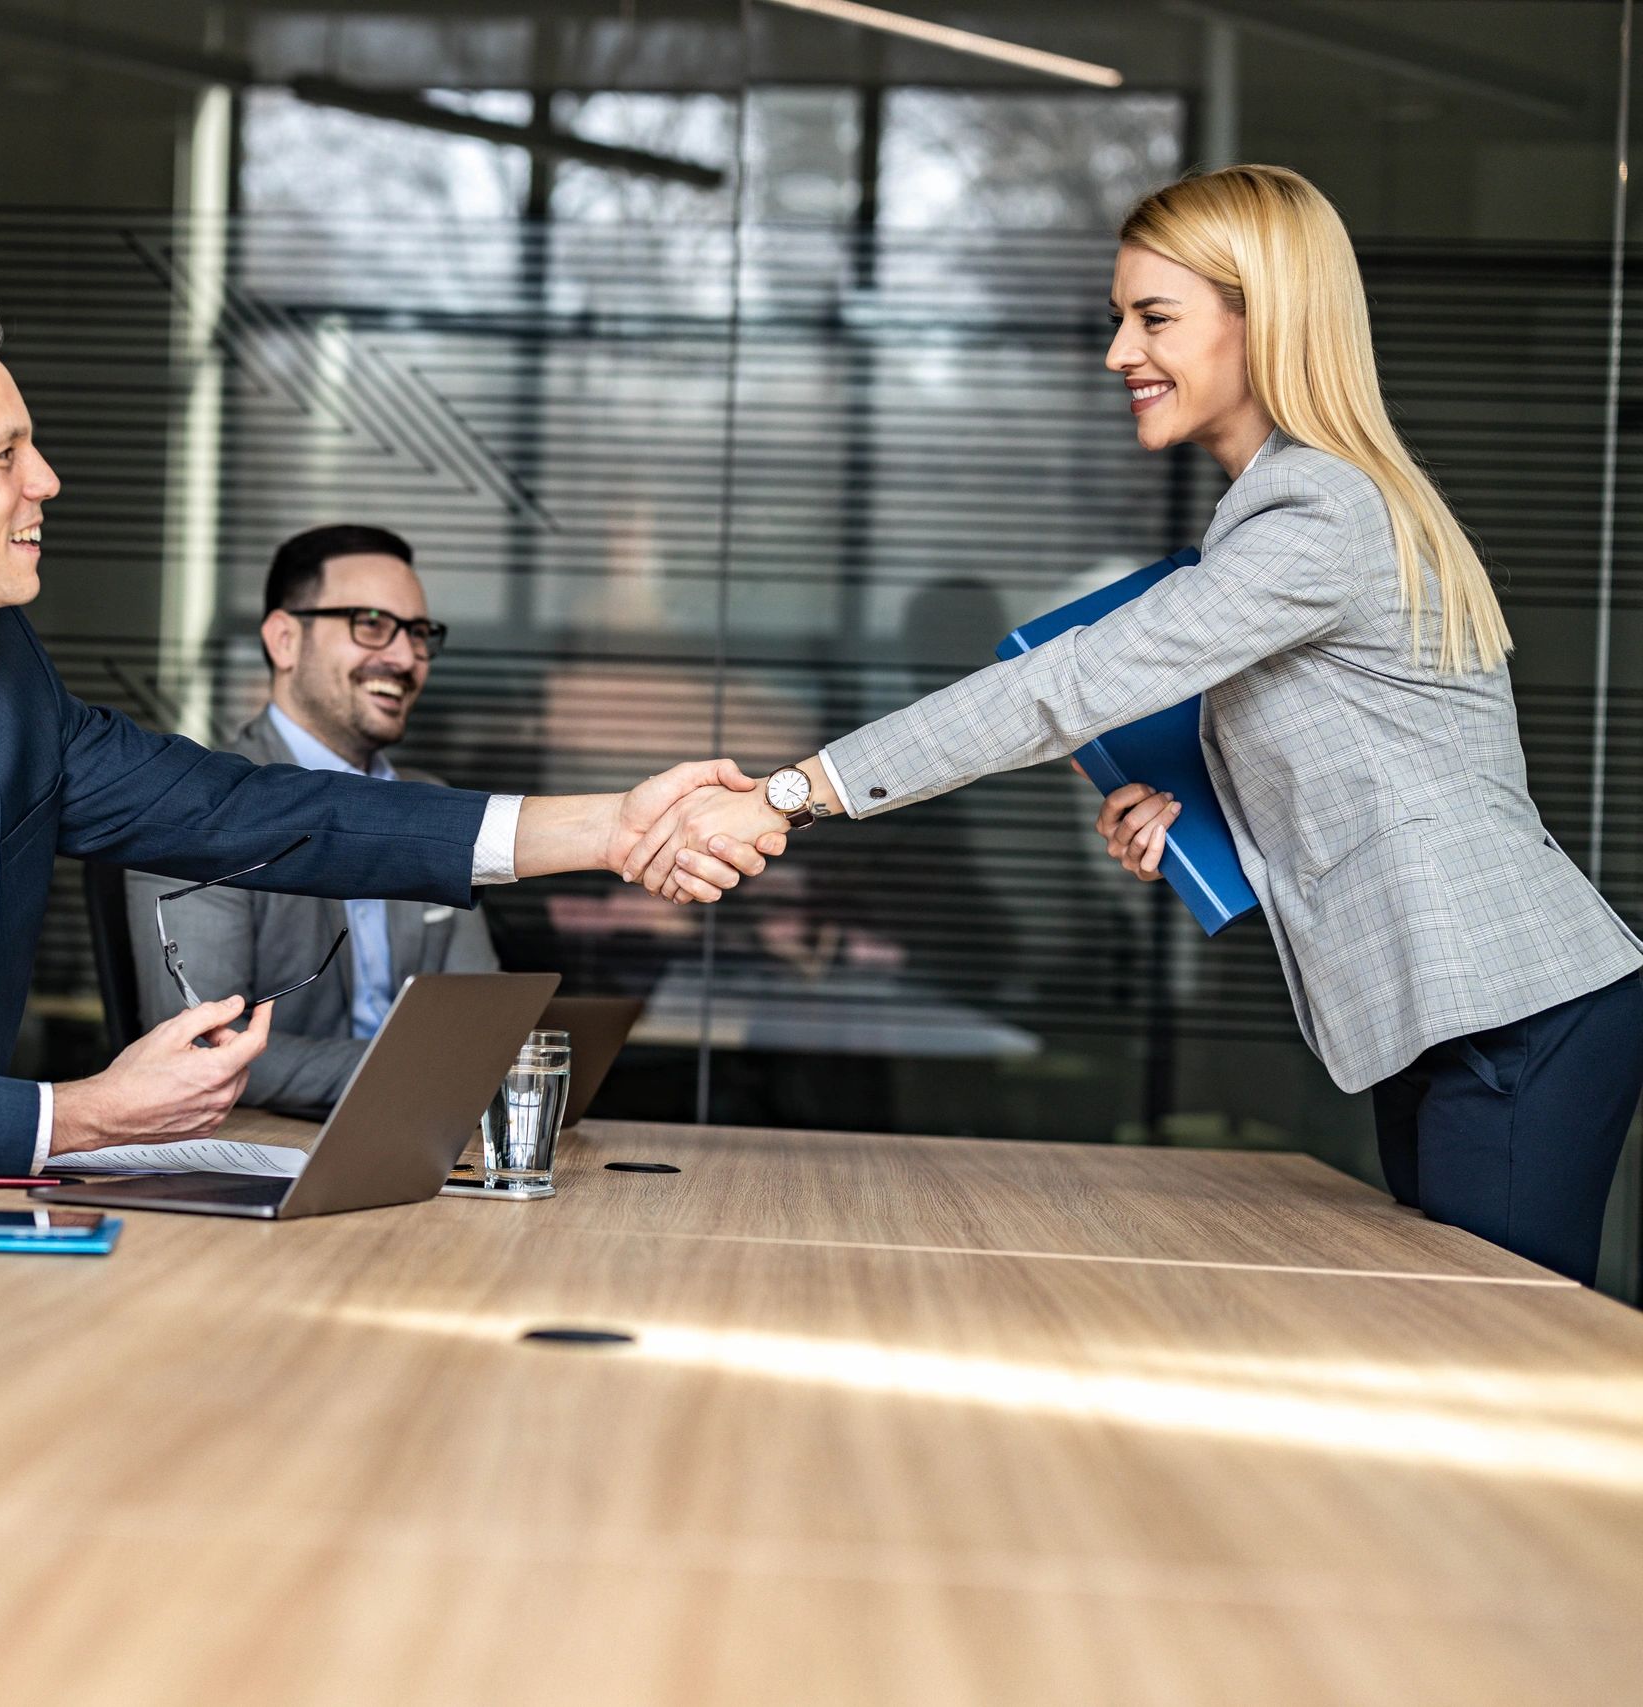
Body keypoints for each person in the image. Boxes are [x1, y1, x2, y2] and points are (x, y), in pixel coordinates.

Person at [636, 164, 1643, 1285]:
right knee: (1466, 1337)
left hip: (1507, 1007)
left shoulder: (1314, 512)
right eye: (1120, 318)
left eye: (1153, 317)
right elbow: (1388, 764)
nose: (1119, 353)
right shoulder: (1292, 510)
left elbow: (1058, 690)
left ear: (1266, 319)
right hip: (1470, 1010)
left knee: (1495, 1350)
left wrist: (789, 791)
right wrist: (1204, 816)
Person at [0, 298, 772, 1179]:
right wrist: (78, 1116)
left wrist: (607, 830)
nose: (49, 483)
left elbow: (250, 813)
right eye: (5, 454)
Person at [124, 525, 499, 1112]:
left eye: (419, 634)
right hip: (263, 1151)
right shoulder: (197, 807)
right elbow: (204, 1045)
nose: (404, 657)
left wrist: (470, 1063)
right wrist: (430, 1071)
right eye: (371, 623)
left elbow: (482, 1022)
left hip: (423, 1149)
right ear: (284, 639)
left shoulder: (433, 805)